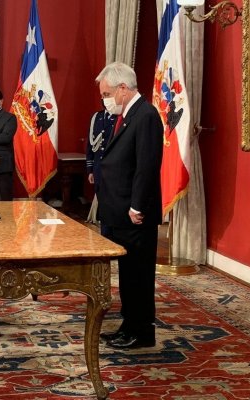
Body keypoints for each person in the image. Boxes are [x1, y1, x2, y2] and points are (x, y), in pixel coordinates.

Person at [95, 62, 163, 350]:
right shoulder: (128, 114)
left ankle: (142, 331)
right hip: (119, 210)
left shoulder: (145, 115)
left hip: (135, 213)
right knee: (127, 274)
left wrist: (137, 205)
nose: (105, 99)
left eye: (107, 93)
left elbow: (146, 167)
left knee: (139, 275)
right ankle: (128, 326)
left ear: (123, 88)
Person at [85, 105, 117, 227]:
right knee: (102, 203)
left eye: (107, 95)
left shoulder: (120, 117)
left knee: (111, 206)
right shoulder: (97, 117)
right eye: (103, 96)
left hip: (112, 169)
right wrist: (90, 170)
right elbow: (90, 145)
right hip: (98, 168)